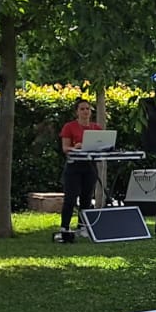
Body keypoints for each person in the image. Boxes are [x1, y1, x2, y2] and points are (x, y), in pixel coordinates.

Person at [57, 98, 102, 240]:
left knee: (86, 198)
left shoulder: (96, 128)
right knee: (70, 198)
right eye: (82, 109)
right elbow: (65, 148)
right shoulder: (69, 127)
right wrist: (76, 147)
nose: (85, 112)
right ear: (76, 112)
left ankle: (83, 226)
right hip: (74, 166)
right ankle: (64, 227)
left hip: (90, 166)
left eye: (87, 109)